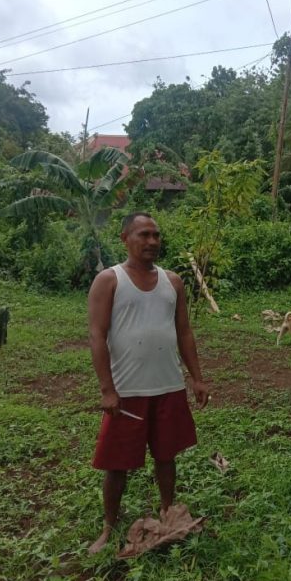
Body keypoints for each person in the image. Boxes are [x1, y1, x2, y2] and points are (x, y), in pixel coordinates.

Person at [87, 212, 209, 554]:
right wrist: (107, 389)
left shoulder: (173, 282)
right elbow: (97, 335)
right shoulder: (109, 280)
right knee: (117, 464)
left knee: (166, 456)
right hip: (127, 391)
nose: (152, 241)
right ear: (125, 238)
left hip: (168, 386)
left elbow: (184, 332)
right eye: (144, 235)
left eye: (156, 235)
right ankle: (109, 526)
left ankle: (168, 512)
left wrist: (197, 378)